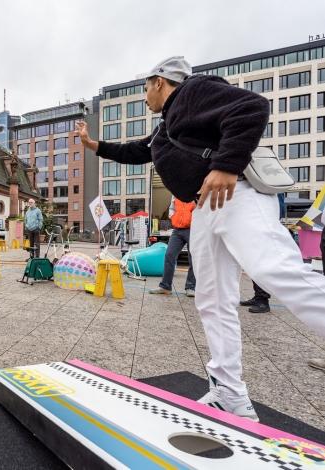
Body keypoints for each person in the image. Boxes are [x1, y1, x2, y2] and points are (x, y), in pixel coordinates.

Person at [75, 56, 325, 422]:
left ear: (159, 81)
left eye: (145, 88)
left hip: (237, 194)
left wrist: (226, 165)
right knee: (212, 298)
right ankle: (229, 394)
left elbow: (252, 107)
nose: (144, 96)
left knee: (276, 270)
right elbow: (136, 151)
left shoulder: (195, 91)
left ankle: (229, 392)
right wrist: (91, 143)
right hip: (206, 206)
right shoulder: (166, 126)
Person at [239, 193, 287, 313]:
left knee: (260, 264)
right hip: (252, 227)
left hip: (262, 228)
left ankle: (262, 300)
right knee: (252, 264)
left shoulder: (270, 187)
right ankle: (258, 296)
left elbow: (279, 208)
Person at [150, 196, 196, 297]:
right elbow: (172, 208)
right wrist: (173, 216)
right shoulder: (176, 193)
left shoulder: (196, 190)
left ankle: (191, 287)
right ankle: (165, 287)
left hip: (193, 229)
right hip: (177, 230)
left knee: (193, 258)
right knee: (169, 255)